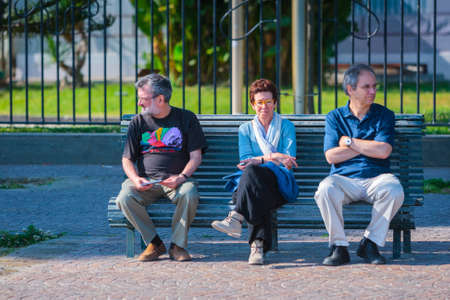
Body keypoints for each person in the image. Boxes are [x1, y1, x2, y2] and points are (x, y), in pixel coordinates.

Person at [314, 64, 404, 266]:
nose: (373, 91)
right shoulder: (335, 117)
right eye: (366, 87)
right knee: (325, 189)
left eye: (374, 86)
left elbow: (384, 151)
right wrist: (369, 145)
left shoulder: (384, 115)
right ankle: (339, 247)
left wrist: (349, 142)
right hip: (344, 179)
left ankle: (370, 243)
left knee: (394, 189)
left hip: (377, 178)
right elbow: (331, 156)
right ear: (350, 89)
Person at [115, 73, 207, 262]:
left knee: (189, 193)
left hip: (177, 181)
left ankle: (177, 246)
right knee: (124, 197)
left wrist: (181, 177)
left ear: (160, 99)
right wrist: (135, 179)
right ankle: (155, 244)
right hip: (146, 182)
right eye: (139, 98)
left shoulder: (186, 118)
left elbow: (196, 157)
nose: (139, 103)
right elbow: (127, 159)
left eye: (143, 99)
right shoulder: (138, 122)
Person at [211, 79, 298, 265]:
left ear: (275, 102)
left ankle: (236, 217)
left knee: (253, 173)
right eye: (259, 102)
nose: (264, 107)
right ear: (252, 105)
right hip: (257, 186)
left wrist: (261, 159)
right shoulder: (245, 129)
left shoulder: (287, 127)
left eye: (268, 102)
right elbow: (245, 160)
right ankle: (257, 246)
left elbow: (288, 162)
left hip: (279, 185)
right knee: (254, 180)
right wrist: (274, 157)